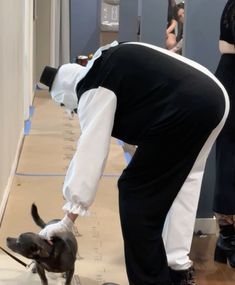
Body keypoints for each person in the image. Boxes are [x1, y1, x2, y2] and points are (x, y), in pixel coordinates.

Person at [39, 41, 229, 285]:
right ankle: (178, 270)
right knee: (185, 180)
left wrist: (68, 220)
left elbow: (91, 152)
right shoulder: (108, 60)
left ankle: (150, 281)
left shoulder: (92, 87)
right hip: (215, 99)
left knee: (135, 193)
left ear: (68, 96)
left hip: (187, 105)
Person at [213, 0, 235, 268]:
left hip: (227, 79)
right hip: (231, 80)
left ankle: (226, 238)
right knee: (228, 160)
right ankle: (227, 238)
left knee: (228, 158)